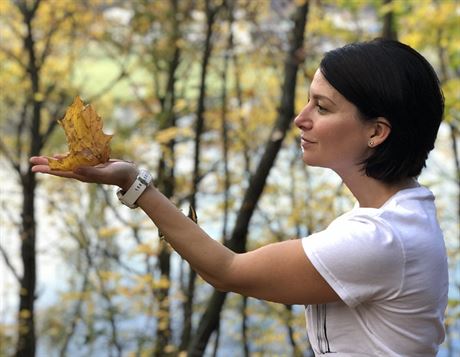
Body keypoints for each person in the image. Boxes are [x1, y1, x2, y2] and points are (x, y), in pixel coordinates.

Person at [30, 39, 448, 356]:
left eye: (322, 107)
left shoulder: (380, 240)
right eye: (307, 101)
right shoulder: (402, 215)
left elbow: (227, 270)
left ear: (376, 131)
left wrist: (134, 183)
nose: (300, 118)